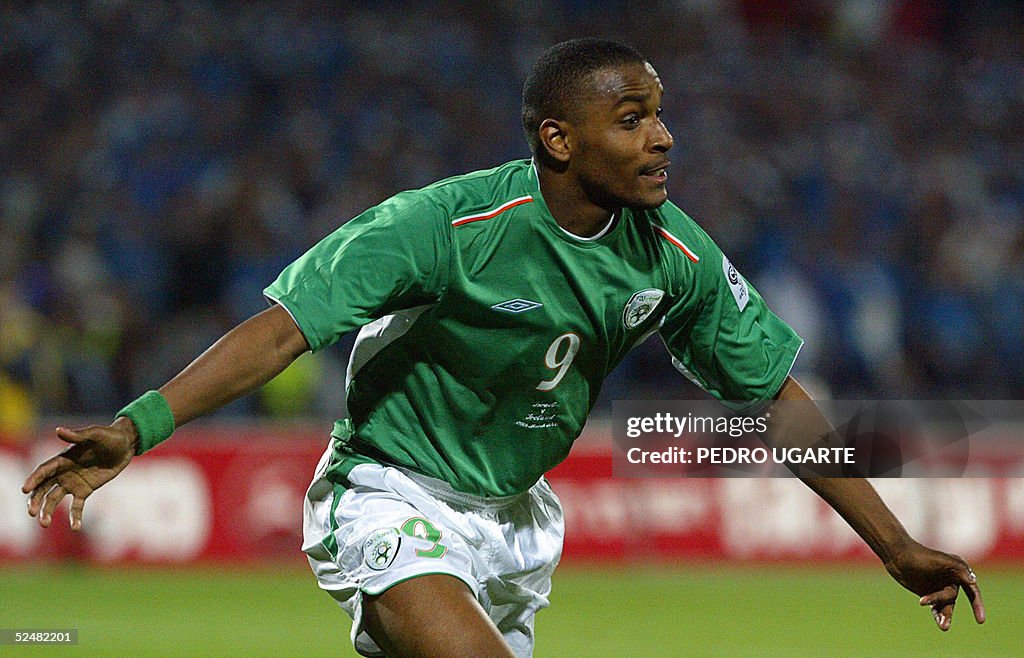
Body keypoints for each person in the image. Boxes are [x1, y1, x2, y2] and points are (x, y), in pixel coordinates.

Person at [23, 38, 983, 657]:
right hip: (389, 493)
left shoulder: (675, 254)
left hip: (516, 520)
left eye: (661, 113)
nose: (665, 138)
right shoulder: (445, 226)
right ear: (559, 140)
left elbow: (775, 396)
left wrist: (892, 545)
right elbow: (283, 329)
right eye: (634, 118)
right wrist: (136, 428)